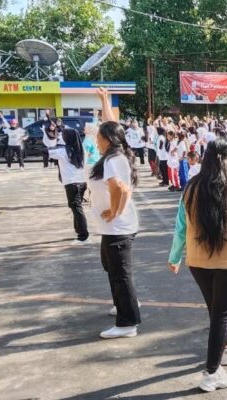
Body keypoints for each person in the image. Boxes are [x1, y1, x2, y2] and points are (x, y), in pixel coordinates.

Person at [167, 135, 227, 392]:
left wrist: (174, 256)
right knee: (221, 313)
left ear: (206, 159)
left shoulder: (191, 187)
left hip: (198, 261)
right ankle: (211, 372)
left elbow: (180, 226)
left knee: (217, 310)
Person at [91, 88, 141, 339]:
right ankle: (123, 303)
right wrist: (104, 100)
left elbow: (120, 188)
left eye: (98, 137)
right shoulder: (115, 153)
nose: (95, 139)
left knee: (121, 274)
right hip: (114, 228)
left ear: (107, 140)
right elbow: (110, 125)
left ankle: (127, 322)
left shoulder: (113, 159)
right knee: (111, 268)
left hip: (118, 228)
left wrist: (116, 211)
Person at [47, 128, 90, 245]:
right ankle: (79, 232)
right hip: (82, 182)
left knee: (76, 208)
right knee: (76, 207)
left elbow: (47, 151)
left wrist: (54, 139)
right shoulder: (82, 150)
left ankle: (84, 236)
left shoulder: (62, 151)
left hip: (72, 183)